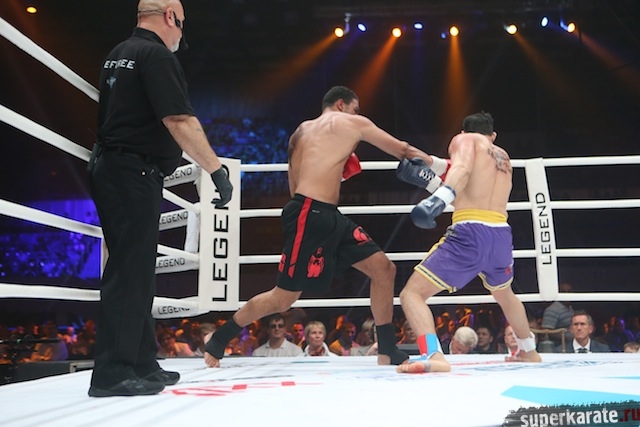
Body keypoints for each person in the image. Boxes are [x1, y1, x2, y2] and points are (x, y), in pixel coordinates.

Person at [204, 85, 447, 368]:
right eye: (355, 109)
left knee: (384, 269)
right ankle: (219, 339)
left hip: (321, 213)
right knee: (283, 298)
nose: (357, 114)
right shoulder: (352, 122)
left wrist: (331, 179)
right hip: (310, 214)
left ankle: (387, 349)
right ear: (342, 104)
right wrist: (440, 166)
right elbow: (403, 150)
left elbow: (294, 184)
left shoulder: (300, 132)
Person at [88, 0, 233, 397]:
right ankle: (112, 373)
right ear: (170, 16)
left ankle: (140, 362)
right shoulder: (155, 55)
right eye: (181, 25)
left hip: (119, 168)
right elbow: (178, 119)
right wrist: (216, 170)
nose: (180, 36)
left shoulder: (119, 53)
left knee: (136, 270)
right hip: (130, 171)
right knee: (129, 272)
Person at [396, 112, 542, 374]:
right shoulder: (502, 157)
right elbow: (467, 185)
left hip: (470, 231)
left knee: (412, 294)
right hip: (500, 234)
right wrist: (431, 174)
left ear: (463, 133)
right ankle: (529, 351)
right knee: (505, 294)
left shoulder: (465, 141)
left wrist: (437, 199)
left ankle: (434, 355)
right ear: (493, 136)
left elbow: (461, 170)